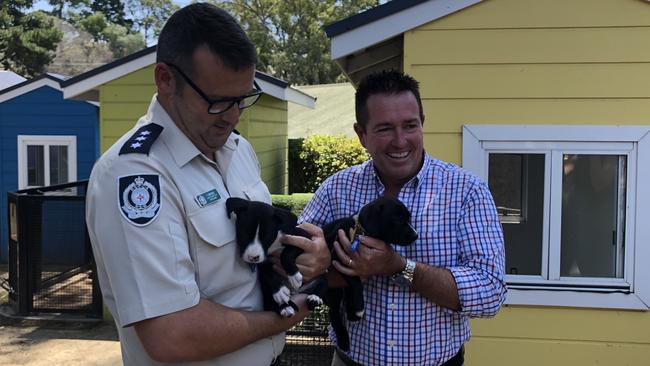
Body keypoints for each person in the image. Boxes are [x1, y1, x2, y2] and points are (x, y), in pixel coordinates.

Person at [85, 3, 330, 365]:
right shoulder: (136, 175)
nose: (232, 117)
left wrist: (308, 260)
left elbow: (255, 260)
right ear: (166, 79)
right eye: (217, 101)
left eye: (242, 99)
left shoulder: (238, 149)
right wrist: (284, 317)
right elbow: (173, 335)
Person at [299, 70, 507, 366]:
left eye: (410, 125)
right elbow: (293, 262)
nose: (400, 141)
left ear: (422, 123)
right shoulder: (337, 189)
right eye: (384, 129)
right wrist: (335, 269)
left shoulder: (466, 191)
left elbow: (490, 293)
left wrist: (399, 267)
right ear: (361, 134)